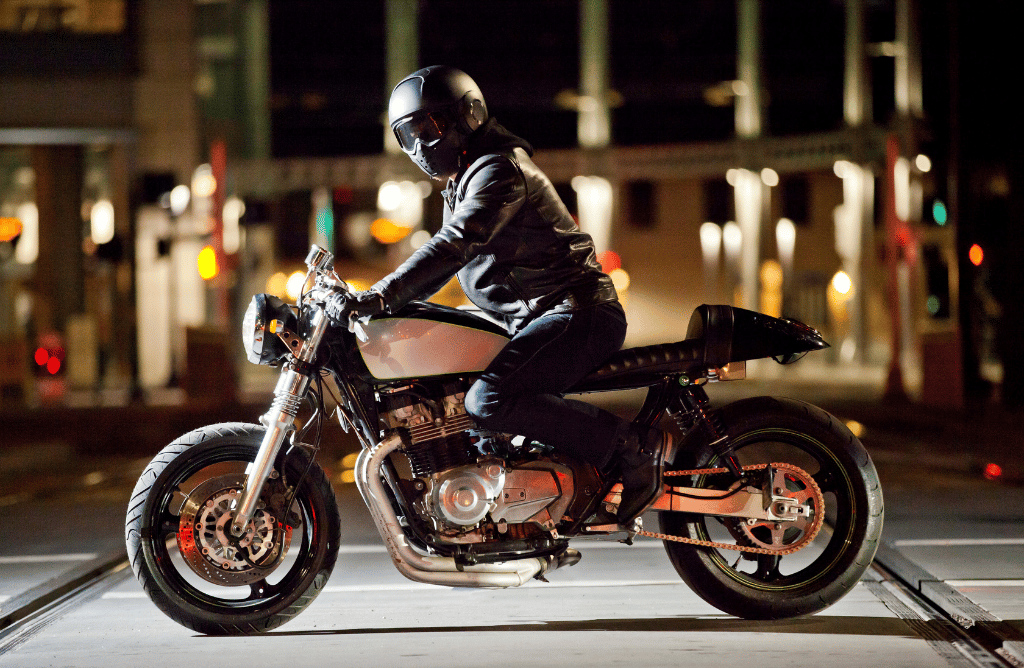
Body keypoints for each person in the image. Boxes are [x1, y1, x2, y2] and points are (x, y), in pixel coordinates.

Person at [325, 65, 670, 524]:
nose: (418, 146)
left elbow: (457, 244)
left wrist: (381, 296)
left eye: (427, 128)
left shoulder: (499, 170)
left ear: (467, 115)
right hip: (538, 317)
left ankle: (631, 448)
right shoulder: (466, 177)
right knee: (465, 390)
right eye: (407, 135)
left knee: (488, 401)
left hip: (575, 311)